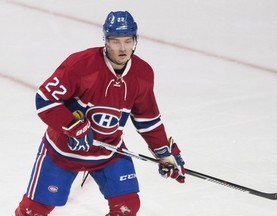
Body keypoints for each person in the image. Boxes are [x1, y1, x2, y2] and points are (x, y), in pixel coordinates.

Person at [15, 11, 185, 216]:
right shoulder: (81, 65)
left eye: (128, 40)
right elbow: (45, 99)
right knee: (33, 211)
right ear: (105, 41)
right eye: (115, 41)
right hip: (62, 152)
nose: (122, 48)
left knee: (127, 206)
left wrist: (164, 153)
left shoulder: (142, 74)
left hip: (108, 152)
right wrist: (73, 127)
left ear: (135, 40)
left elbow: (147, 120)